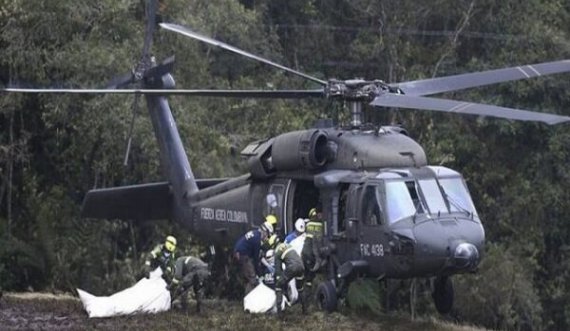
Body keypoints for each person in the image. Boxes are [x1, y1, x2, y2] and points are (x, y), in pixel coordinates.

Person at [233, 221, 273, 294]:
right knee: (253, 279)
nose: (267, 238)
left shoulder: (255, 233)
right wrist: (259, 274)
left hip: (240, 252)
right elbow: (256, 259)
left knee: (249, 277)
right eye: (268, 235)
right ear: (264, 231)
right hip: (243, 255)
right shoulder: (257, 240)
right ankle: (248, 299)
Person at [272, 241, 306, 314]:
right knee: (300, 288)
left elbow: (278, 271)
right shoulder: (288, 245)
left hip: (292, 267)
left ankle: (279, 312)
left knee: (278, 286)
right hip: (301, 266)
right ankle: (305, 310)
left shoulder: (277, 251)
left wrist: (279, 280)